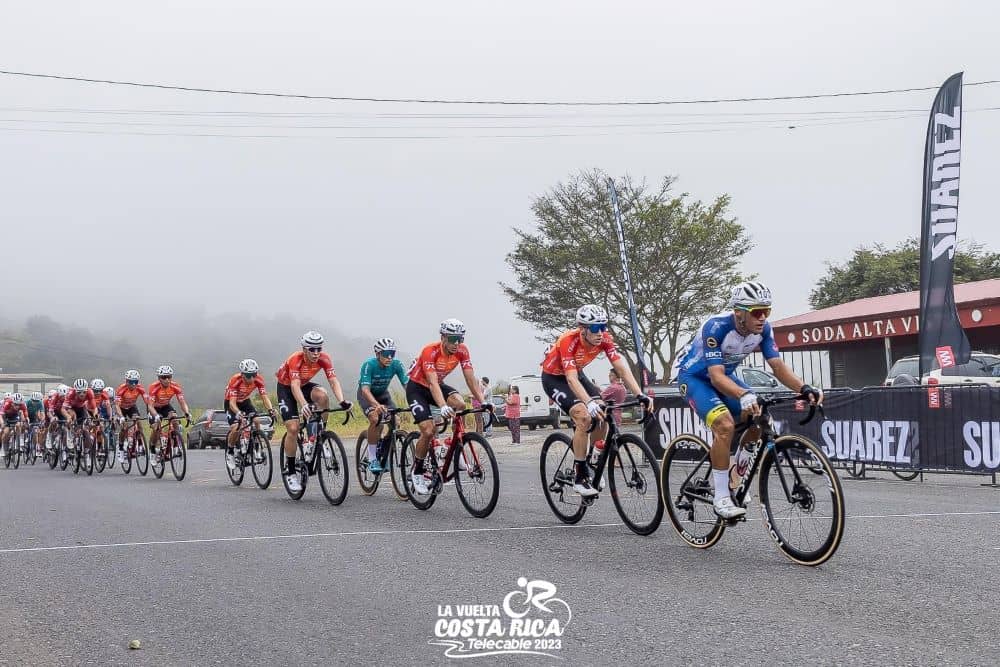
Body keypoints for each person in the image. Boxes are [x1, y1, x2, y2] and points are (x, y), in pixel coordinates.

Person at [676, 281, 822, 519]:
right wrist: (743, 394)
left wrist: (804, 387)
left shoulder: (764, 330)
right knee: (725, 426)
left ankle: (736, 479)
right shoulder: (716, 327)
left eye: (767, 311)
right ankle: (721, 497)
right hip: (695, 378)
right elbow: (715, 376)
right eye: (757, 312)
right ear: (739, 312)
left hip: (725, 377)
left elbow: (776, 365)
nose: (762, 317)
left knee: (760, 419)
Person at [540, 305, 651, 497]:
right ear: (582, 329)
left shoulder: (605, 339)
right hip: (554, 378)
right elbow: (571, 379)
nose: (600, 332)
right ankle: (580, 475)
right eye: (595, 328)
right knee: (584, 417)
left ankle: (593, 457)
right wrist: (588, 403)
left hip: (578, 373)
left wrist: (640, 394)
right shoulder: (568, 340)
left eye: (603, 327)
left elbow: (622, 369)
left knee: (602, 413)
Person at [406, 319, 492, 494]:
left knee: (460, 404)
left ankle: (454, 444)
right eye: (453, 339)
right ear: (443, 337)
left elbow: (470, 379)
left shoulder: (462, 350)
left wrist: (483, 401)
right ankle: (417, 471)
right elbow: (431, 383)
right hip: (417, 388)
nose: (457, 343)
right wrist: (443, 406)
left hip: (437, 385)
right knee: (428, 430)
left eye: (460, 339)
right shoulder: (430, 351)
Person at [275, 331, 352, 493]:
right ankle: (290, 471)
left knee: (322, 397)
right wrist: (303, 404)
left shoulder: (324, 358)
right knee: (294, 428)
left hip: (304, 385)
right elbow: (294, 386)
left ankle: (317, 436)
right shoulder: (295, 359)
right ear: (304, 349)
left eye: (319, 349)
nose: (316, 353)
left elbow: (333, 381)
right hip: (286, 388)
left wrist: (342, 401)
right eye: (312, 349)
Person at [357, 337, 408, 474]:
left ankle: (384, 450)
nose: (390, 357)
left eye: (392, 353)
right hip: (367, 395)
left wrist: (415, 401)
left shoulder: (396, 364)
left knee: (395, 422)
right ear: (378, 354)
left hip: (383, 395)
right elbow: (365, 390)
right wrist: (376, 405)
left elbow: (407, 385)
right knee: (376, 420)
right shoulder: (369, 365)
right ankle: (372, 458)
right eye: (386, 354)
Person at [223, 359, 276, 471]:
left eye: (254, 374)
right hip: (231, 403)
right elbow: (232, 403)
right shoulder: (235, 380)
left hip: (245, 401)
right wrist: (238, 413)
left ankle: (256, 446)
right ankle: (230, 451)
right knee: (236, 428)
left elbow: (264, 397)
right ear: (242, 374)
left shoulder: (258, 380)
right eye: (248, 375)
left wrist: (271, 410)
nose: (252, 378)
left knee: (256, 420)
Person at [148, 365, 192, 465]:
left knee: (175, 419)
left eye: (169, 377)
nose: (167, 380)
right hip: (154, 408)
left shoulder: (175, 386)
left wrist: (187, 412)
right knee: (156, 428)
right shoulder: (154, 387)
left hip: (166, 406)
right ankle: (152, 450)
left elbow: (182, 402)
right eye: (164, 377)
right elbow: (150, 406)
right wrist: (156, 416)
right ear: (159, 378)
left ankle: (176, 446)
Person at [114, 370, 154, 462]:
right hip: (121, 408)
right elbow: (116, 406)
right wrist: (121, 417)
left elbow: (147, 402)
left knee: (138, 421)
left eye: (136, 382)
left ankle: (140, 444)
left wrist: (149, 413)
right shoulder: (121, 389)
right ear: (126, 381)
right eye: (131, 382)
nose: (133, 384)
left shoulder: (140, 388)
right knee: (124, 427)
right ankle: (120, 448)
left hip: (132, 407)